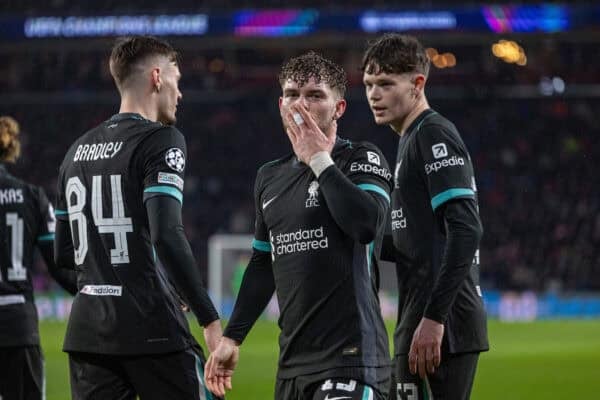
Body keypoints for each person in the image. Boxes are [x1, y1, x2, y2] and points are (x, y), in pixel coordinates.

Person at [204, 51, 393, 400]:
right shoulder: (269, 176)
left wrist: (319, 159)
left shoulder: (361, 159)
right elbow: (263, 264)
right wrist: (233, 337)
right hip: (292, 367)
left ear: (339, 109)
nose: (300, 105)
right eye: (292, 94)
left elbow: (366, 226)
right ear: (280, 104)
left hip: (351, 359)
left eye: (315, 96)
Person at [53, 36, 222, 400]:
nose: (180, 94)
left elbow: (64, 255)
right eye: (178, 81)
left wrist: (105, 296)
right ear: (157, 78)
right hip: (152, 329)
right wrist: (208, 317)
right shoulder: (161, 140)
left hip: (86, 335)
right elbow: (167, 234)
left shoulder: (74, 152)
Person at [361, 33, 489, 400]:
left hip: (440, 328)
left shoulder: (432, 133)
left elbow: (466, 230)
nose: (374, 94)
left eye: (386, 84)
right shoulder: (409, 139)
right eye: (369, 84)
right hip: (420, 321)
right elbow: (410, 242)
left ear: (418, 84)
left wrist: (434, 319)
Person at [0, 116, 77, 400]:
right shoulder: (31, 197)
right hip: (19, 324)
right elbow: (60, 264)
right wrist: (93, 289)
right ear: (12, 148)